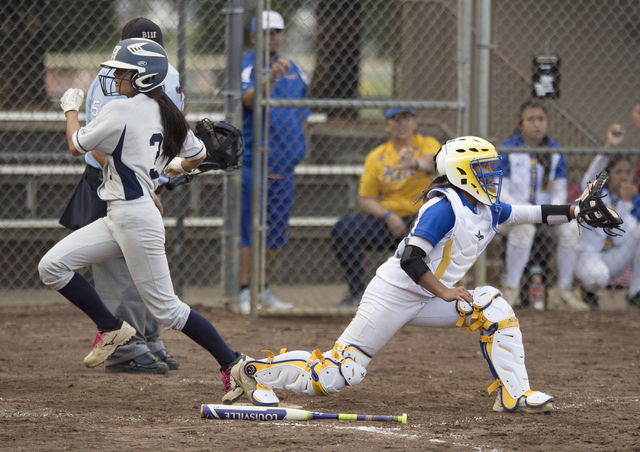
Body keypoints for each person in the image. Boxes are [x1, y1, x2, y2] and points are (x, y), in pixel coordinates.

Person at [223, 135, 606, 413]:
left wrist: (574, 210)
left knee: (492, 307)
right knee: (339, 375)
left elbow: (528, 212)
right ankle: (252, 370)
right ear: (461, 173)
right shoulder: (443, 207)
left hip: (429, 295)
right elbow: (410, 257)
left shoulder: (487, 207)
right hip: (394, 294)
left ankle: (515, 394)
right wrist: (444, 292)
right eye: (482, 169)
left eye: (492, 168)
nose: (491, 176)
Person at [39, 37, 250, 403]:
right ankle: (110, 328)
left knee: (168, 310)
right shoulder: (165, 112)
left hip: (136, 219)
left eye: (125, 72)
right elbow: (198, 155)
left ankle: (233, 364)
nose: (117, 76)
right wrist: (174, 166)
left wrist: (70, 108)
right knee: (51, 266)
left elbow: (76, 145)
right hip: (118, 215)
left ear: (145, 78)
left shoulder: (124, 109)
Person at [58, 18, 183, 374]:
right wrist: (145, 180)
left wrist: (150, 182)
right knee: (118, 268)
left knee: (140, 262)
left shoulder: (162, 75)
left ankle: (147, 338)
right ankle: (128, 347)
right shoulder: (157, 75)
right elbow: (99, 145)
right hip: (114, 180)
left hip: (140, 182)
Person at [238, 10, 311, 314]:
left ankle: (263, 288)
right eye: (268, 32)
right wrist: (272, 76)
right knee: (248, 227)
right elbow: (248, 100)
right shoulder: (246, 66)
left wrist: (301, 146)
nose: (275, 37)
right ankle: (244, 290)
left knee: (276, 232)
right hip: (255, 161)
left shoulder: (296, 69)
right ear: (255, 37)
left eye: (279, 31)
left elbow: (303, 112)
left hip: (285, 165)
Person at [331, 109, 439, 307]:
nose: (401, 124)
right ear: (387, 126)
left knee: (438, 219)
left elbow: (435, 162)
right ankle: (358, 294)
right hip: (390, 222)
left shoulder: (427, 144)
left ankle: (431, 294)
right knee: (343, 229)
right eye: (395, 120)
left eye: (406, 118)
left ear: (415, 123)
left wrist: (414, 163)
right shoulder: (378, 156)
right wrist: (388, 216)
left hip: (421, 217)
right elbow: (365, 199)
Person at [497, 101, 589, 311]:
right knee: (525, 227)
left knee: (572, 228)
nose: (537, 124)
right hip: (512, 214)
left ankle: (563, 291)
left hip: (545, 215)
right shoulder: (508, 148)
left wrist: (549, 213)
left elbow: (559, 191)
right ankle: (511, 289)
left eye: (541, 119)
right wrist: (528, 213)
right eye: (531, 119)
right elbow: (501, 192)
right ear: (521, 123)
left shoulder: (554, 150)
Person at [575, 124, 640, 308]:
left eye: (628, 172)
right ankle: (588, 292)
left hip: (612, 257)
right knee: (598, 276)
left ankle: (636, 292)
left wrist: (626, 204)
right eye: (618, 172)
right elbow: (591, 173)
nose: (624, 177)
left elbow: (621, 239)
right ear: (608, 175)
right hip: (588, 256)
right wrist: (609, 146)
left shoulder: (631, 200)